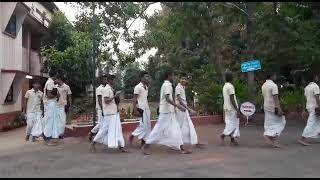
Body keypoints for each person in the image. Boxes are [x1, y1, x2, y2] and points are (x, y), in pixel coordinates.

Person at [143, 68, 192, 155]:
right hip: (166, 112)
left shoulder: (167, 84)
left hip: (169, 111)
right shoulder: (167, 85)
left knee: (176, 129)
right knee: (158, 129)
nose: (174, 77)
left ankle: (181, 148)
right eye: (173, 75)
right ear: (169, 76)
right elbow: (167, 99)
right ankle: (146, 145)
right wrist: (178, 106)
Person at [91, 74, 128, 153]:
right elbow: (106, 101)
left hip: (114, 113)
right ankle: (93, 143)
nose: (113, 81)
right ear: (108, 80)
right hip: (109, 114)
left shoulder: (111, 89)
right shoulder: (106, 89)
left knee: (118, 130)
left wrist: (116, 98)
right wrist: (115, 96)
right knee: (104, 129)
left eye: (113, 79)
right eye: (111, 79)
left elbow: (114, 102)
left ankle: (121, 146)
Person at [175, 72, 204, 148]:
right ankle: (179, 144)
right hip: (180, 110)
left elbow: (187, 84)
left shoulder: (182, 87)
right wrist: (189, 109)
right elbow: (179, 100)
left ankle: (195, 142)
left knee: (189, 126)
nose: (184, 80)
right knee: (181, 127)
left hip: (184, 110)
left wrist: (189, 79)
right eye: (182, 79)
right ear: (179, 79)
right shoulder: (178, 87)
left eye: (185, 79)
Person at [262, 73, 286, 148]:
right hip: (273, 106)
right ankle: (270, 137)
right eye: (275, 75)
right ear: (272, 76)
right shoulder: (273, 85)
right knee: (282, 121)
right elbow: (275, 98)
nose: (275, 76)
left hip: (266, 105)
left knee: (270, 122)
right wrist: (279, 108)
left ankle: (271, 137)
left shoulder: (264, 85)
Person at [129, 71, 151, 147]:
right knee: (143, 125)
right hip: (141, 109)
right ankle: (132, 135)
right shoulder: (138, 87)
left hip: (147, 108)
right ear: (142, 78)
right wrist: (135, 110)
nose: (148, 78)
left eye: (148, 76)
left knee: (148, 126)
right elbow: (134, 99)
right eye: (146, 76)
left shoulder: (146, 87)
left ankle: (143, 141)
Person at [298, 71, 320, 146]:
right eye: (316, 76)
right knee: (311, 123)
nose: (317, 77)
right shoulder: (315, 86)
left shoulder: (307, 87)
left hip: (309, 107)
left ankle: (316, 135)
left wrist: (303, 109)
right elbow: (317, 97)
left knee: (317, 122)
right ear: (314, 78)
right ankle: (302, 138)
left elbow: (304, 99)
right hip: (315, 107)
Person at [220, 71, 240, 146]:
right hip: (232, 108)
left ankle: (232, 139)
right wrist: (237, 109)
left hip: (226, 107)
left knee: (230, 123)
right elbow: (232, 98)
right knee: (233, 124)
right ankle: (223, 135)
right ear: (232, 78)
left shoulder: (225, 86)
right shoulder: (230, 86)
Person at [43, 69, 60, 145]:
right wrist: (56, 95)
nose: (58, 75)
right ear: (55, 75)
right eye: (57, 74)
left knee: (51, 120)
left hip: (51, 103)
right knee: (49, 120)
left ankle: (48, 136)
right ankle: (47, 137)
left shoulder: (51, 82)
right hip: (50, 103)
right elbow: (48, 95)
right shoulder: (50, 82)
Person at [88, 75, 107, 142]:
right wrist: (102, 109)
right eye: (104, 79)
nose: (106, 81)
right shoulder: (99, 89)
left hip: (106, 109)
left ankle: (101, 137)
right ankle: (92, 132)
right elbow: (99, 100)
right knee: (100, 123)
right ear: (101, 81)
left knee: (105, 124)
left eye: (106, 79)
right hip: (100, 109)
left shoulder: (107, 88)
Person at [55, 74, 72, 139]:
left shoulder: (67, 87)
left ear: (60, 79)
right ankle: (56, 133)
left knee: (62, 121)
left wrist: (70, 105)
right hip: (55, 105)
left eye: (56, 79)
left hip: (63, 106)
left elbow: (69, 96)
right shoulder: (55, 87)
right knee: (56, 120)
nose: (55, 80)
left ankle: (61, 134)